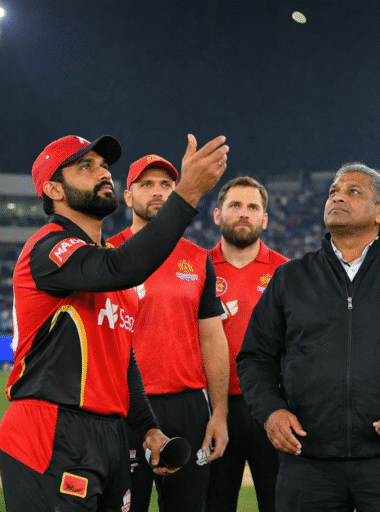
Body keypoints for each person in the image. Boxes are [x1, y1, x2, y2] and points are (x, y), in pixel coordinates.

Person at [0, 133, 229, 511]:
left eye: (104, 166)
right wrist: (185, 194)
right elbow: (122, 267)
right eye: (85, 166)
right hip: (51, 427)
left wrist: (149, 428)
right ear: (54, 188)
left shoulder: (107, 268)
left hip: (110, 434)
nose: (103, 173)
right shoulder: (48, 248)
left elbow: (124, 361)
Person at [236, 163, 380, 512]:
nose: (338, 197)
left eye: (353, 192)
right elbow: (255, 358)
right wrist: (271, 411)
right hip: (307, 460)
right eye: (333, 191)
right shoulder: (290, 278)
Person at [107, 154, 230, 512]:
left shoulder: (197, 258)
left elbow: (212, 338)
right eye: (147, 184)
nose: (158, 192)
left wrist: (219, 412)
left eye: (166, 185)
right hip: (125, 407)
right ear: (127, 196)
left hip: (187, 407)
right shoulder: (107, 256)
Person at [206, 176, 288, 512]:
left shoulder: (287, 272)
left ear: (264, 219)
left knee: (279, 502)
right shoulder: (196, 269)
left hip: (271, 406)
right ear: (217, 214)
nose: (244, 213)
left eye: (253, 207)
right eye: (235, 205)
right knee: (213, 503)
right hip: (211, 407)